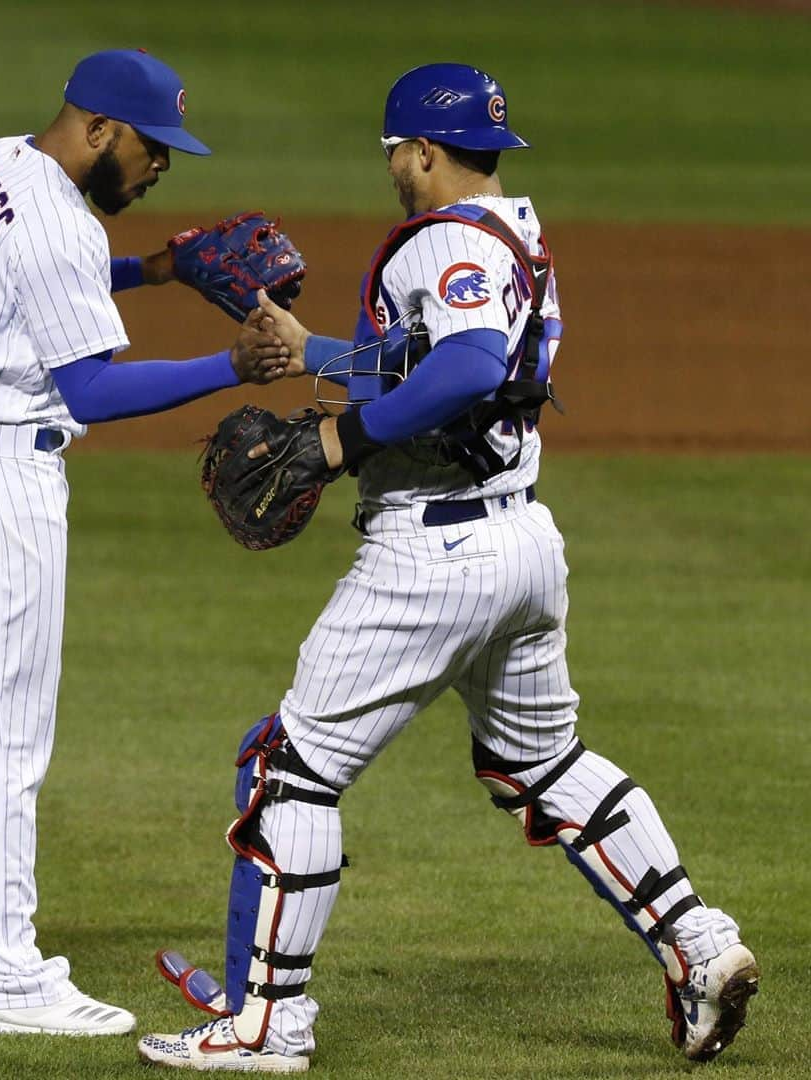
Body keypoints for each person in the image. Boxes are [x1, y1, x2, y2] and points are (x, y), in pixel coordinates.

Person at [138, 63, 759, 1072]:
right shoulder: (515, 231)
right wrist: (316, 352)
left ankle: (268, 1026)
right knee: (542, 763)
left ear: (422, 150)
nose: (392, 167)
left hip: (433, 556)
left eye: (395, 150)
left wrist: (342, 447)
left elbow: (465, 366)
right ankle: (699, 941)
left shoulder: (438, 244)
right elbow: (457, 363)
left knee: (286, 768)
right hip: (520, 546)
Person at [0, 48, 292, 1038]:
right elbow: (89, 387)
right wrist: (235, 362)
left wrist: (158, 268)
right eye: (151, 151)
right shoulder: (58, 218)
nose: (159, 170)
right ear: (99, 131)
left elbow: (42, 278)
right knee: (4, 731)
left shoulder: (1, 161)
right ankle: (7, 976)